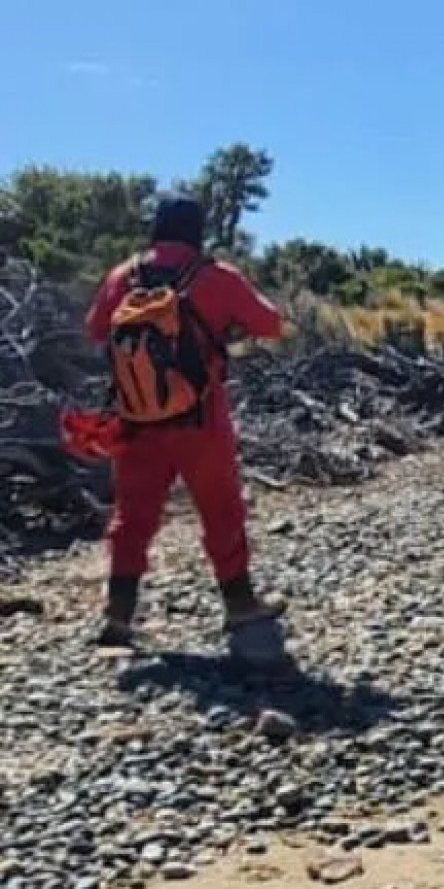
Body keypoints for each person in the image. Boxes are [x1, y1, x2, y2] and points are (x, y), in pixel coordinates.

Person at [84, 195, 287, 648]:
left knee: (133, 515)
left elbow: (95, 329)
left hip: (136, 419)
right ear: (199, 230)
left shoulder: (124, 276)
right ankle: (239, 605)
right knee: (221, 511)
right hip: (201, 420)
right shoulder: (216, 276)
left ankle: (118, 614)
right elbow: (271, 324)